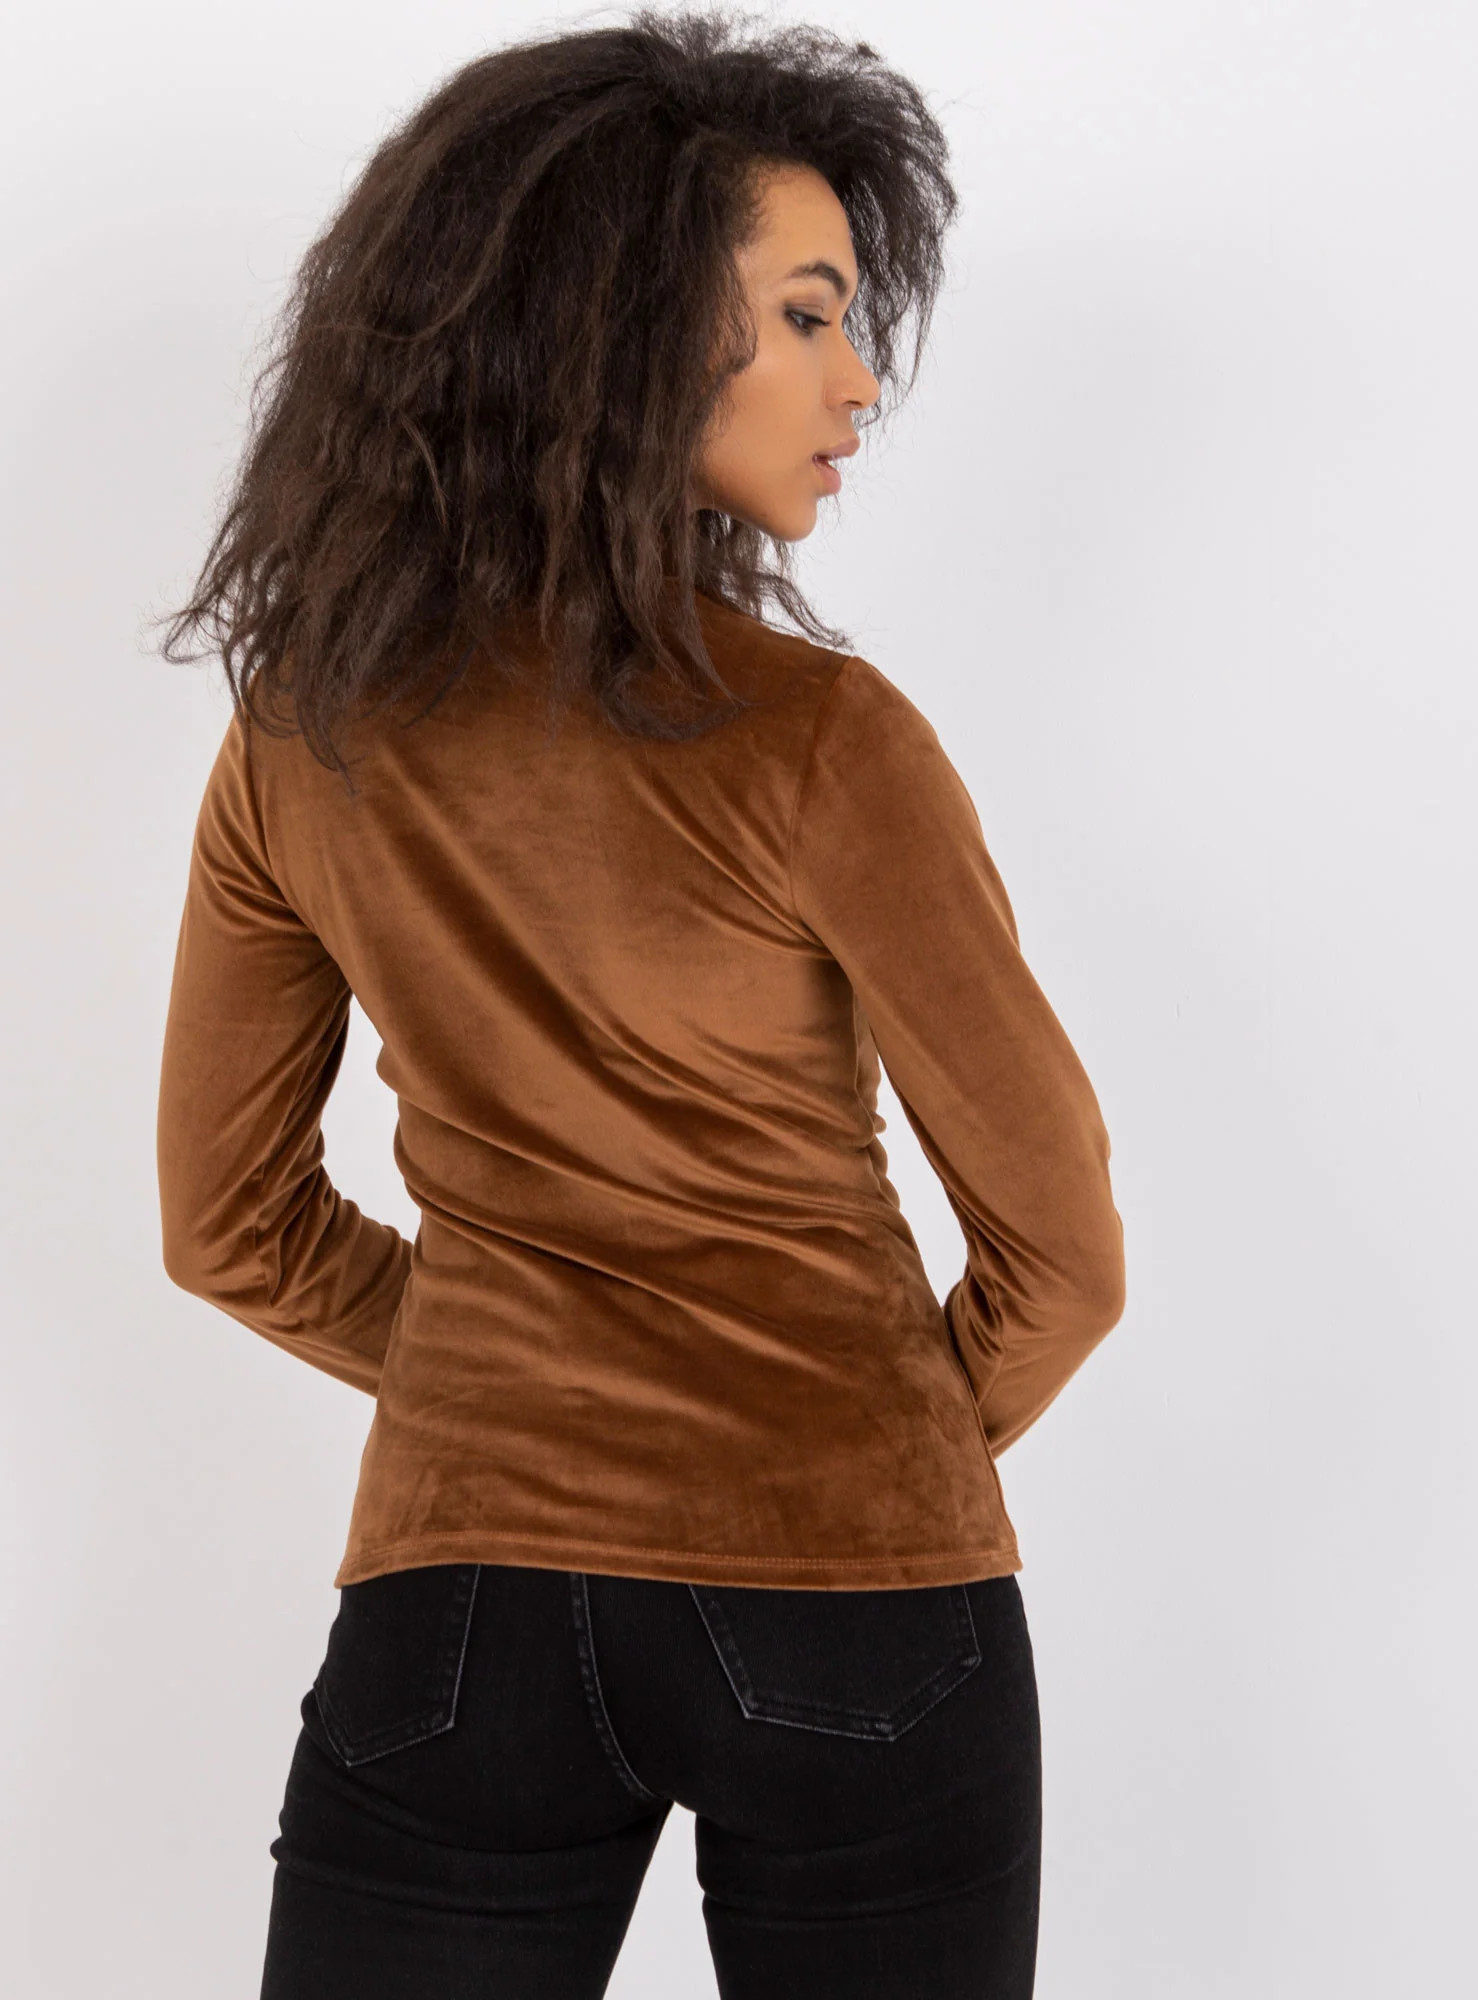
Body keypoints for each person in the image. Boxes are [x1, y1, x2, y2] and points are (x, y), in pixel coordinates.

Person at [152, 11, 1126, 1996]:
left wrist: (521, 1393)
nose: (859, 379)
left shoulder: (301, 736)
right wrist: (840, 1444)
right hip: (860, 1609)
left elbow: (224, 1226)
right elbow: (1066, 1253)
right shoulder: (822, 738)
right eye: (807, 316)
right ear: (622, 331)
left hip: (463, 1611)